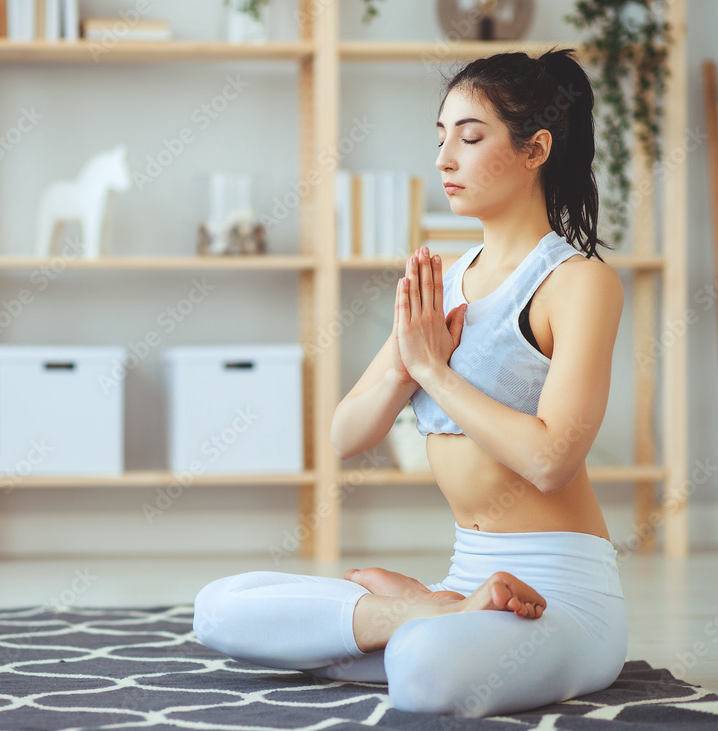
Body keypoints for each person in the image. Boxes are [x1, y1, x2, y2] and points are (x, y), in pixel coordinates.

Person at [192, 47, 627, 718]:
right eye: (441, 136)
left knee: (421, 668)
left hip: (562, 598)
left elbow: (550, 459)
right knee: (219, 608)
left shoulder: (577, 283)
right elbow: (345, 434)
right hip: (464, 588)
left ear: (535, 148)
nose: (444, 158)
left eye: (471, 137)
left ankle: (414, 623)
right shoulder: (442, 285)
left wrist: (431, 369)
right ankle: (426, 608)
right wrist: (405, 360)